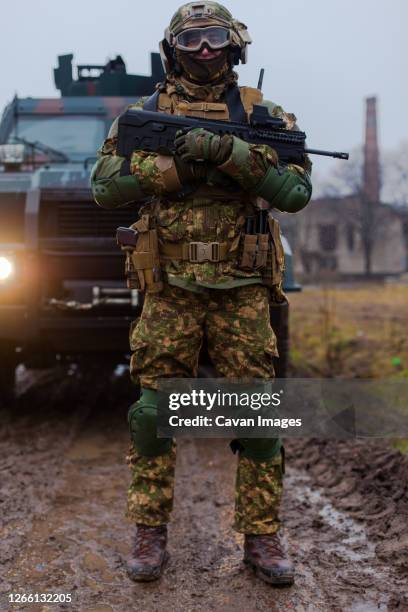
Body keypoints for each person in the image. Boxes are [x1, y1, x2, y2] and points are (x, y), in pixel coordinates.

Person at [91, 1, 312, 585]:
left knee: (259, 414)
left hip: (243, 288)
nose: (206, 49)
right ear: (174, 48)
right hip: (171, 287)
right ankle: (148, 531)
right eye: (193, 40)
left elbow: (294, 191)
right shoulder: (145, 115)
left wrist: (236, 156)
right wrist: (177, 170)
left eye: (215, 37)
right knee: (152, 413)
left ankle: (262, 537)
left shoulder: (264, 114)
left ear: (236, 44)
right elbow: (105, 189)